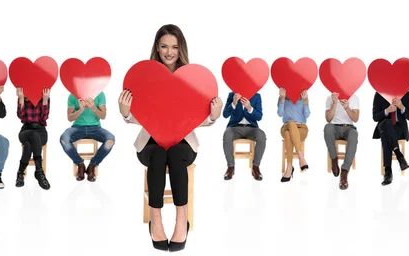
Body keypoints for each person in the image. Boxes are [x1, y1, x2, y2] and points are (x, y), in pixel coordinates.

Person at [118, 24, 223, 252]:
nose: (169, 52)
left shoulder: (191, 79)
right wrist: (125, 111)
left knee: (174, 153)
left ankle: (180, 220)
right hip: (150, 143)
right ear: (157, 47)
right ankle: (155, 220)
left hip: (183, 144)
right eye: (164, 46)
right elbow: (138, 115)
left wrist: (213, 116)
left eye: (174, 47)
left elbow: (197, 117)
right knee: (158, 153)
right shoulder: (146, 77)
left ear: (180, 49)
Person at [60, 92, 115, 182]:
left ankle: (92, 166)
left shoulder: (100, 94)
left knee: (110, 139)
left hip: (95, 128)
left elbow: (103, 116)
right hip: (77, 128)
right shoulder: (72, 95)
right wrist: (80, 110)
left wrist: (93, 107)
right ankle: (80, 164)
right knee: (64, 139)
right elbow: (70, 118)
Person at [222, 92, 266, 181]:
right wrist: (233, 103)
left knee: (261, 135)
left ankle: (255, 167)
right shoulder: (232, 95)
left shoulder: (256, 96)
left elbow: (259, 116)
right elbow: (225, 114)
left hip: (251, 128)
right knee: (227, 134)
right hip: (235, 127)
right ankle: (231, 167)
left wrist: (250, 108)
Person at [372, 91, 409, 186]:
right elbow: (375, 117)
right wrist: (387, 111)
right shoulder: (379, 94)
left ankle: (388, 171)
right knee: (387, 124)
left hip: (399, 129)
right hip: (383, 125)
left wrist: (401, 106)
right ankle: (399, 156)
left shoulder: (405, 93)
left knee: (386, 135)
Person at [15, 87, 51, 190]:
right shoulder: (23, 96)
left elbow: (44, 117)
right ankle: (39, 172)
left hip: (41, 131)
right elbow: (20, 116)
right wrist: (21, 98)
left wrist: (45, 99)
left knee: (28, 145)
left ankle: (20, 173)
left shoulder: (45, 97)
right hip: (26, 130)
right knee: (33, 135)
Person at [324, 92, 359, 190]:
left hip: (349, 127)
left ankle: (344, 172)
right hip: (334, 127)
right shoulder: (330, 98)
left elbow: (356, 119)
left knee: (354, 134)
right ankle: (334, 159)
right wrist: (334, 104)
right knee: (327, 127)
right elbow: (328, 119)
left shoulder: (354, 98)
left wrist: (347, 108)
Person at [277, 87, 310, 182]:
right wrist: (282, 99)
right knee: (291, 123)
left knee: (288, 134)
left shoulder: (303, 97)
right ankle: (301, 156)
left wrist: (305, 101)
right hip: (286, 126)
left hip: (301, 128)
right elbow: (280, 114)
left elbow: (307, 115)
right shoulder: (282, 97)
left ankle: (289, 167)